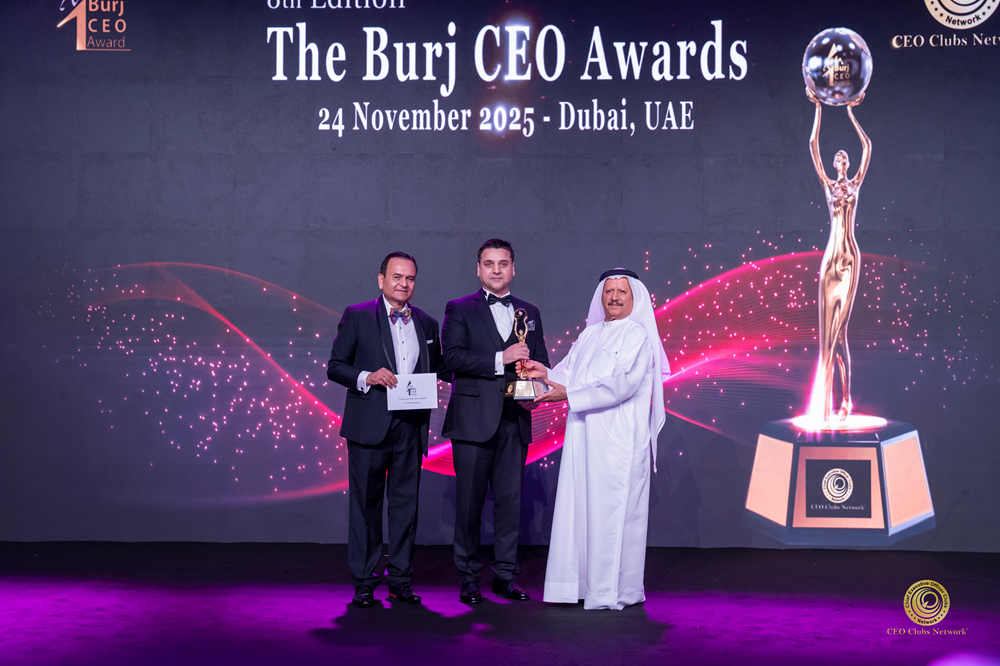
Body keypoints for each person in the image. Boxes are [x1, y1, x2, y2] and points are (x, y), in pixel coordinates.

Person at [522, 268, 670, 610]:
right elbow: (568, 373)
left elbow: (623, 384)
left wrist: (569, 393)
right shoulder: (589, 335)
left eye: (621, 292)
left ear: (634, 298)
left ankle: (611, 591)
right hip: (584, 437)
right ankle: (579, 585)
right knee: (579, 511)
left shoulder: (637, 336)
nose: (614, 297)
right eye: (609, 291)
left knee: (611, 515)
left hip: (619, 442)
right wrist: (544, 374)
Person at [327, 252, 446, 607]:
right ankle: (364, 582)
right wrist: (368, 377)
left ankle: (400, 580)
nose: (403, 283)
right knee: (366, 507)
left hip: (411, 427)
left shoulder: (427, 324)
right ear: (381, 280)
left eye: (409, 278)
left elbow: (440, 368)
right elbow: (336, 366)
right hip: (369, 427)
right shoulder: (358, 315)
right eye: (396, 276)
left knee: (406, 507)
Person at [441, 238, 549, 604]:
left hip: (514, 419)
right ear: (478, 269)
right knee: (469, 504)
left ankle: (505, 577)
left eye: (503, 263)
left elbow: (541, 360)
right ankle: (469, 579)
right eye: (489, 264)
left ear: (513, 269)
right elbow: (452, 358)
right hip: (473, 421)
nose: (496, 270)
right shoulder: (459, 309)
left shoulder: (529, 312)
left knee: (510, 504)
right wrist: (501, 358)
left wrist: (536, 381)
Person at [806, 88, 871, 421]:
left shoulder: (855, 185)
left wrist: (850, 112)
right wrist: (818, 107)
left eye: (845, 158)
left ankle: (838, 400)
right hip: (830, 257)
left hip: (849, 257)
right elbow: (812, 146)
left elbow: (868, 147)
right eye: (839, 158)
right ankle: (835, 402)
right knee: (830, 334)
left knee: (841, 327)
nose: (842, 160)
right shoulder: (829, 187)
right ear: (834, 164)